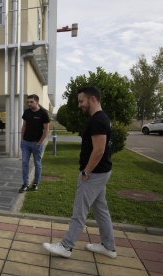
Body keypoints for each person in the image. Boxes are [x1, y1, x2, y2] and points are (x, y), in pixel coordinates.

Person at [43, 86, 117, 259]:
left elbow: (99, 150)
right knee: (101, 210)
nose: (79, 105)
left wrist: (86, 171)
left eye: (81, 101)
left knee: (79, 211)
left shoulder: (98, 120)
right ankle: (109, 247)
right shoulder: (102, 118)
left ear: (92, 99)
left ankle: (66, 247)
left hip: (94, 174)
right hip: (102, 172)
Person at [18, 94, 50, 193]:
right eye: (28, 102)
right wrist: (22, 139)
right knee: (24, 163)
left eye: (31, 102)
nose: (29, 104)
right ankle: (25, 184)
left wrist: (40, 143)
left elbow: (46, 130)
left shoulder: (43, 113)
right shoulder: (27, 112)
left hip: (37, 144)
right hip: (26, 143)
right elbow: (24, 126)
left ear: (37, 102)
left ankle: (35, 183)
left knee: (37, 164)